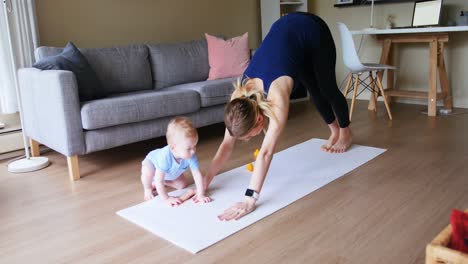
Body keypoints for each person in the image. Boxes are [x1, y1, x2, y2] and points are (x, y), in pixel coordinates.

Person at [204, 12, 352, 221]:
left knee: (326, 88)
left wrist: (249, 199)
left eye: (248, 136)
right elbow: (226, 145)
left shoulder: (277, 96)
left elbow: (265, 154)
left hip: (311, 29)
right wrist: (205, 181)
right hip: (288, 39)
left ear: (259, 120)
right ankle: (334, 131)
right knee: (313, 89)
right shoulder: (238, 100)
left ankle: (345, 132)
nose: (248, 140)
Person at [140, 116, 212, 206]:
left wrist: (201, 194)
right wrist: (166, 198)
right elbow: (159, 180)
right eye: (189, 148)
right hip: (153, 165)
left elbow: (197, 174)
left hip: (169, 172)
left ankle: (163, 182)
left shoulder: (190, 155)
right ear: (173, 147)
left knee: (182, 185)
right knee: (148, 172)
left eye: (194, 146)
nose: (193, 151)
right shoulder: (164, 157)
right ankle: (148, 187)